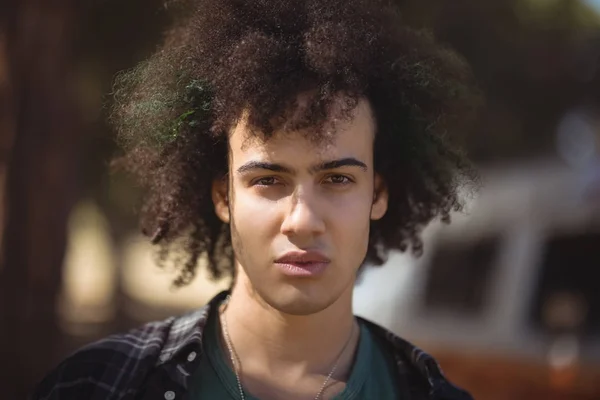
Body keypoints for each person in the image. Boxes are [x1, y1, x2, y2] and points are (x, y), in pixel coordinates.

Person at [33, 0, 480, 398]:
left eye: (338, 179)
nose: (302, 221)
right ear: (223, 197)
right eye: (268, 180)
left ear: (377, 195)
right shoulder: (94, 385)